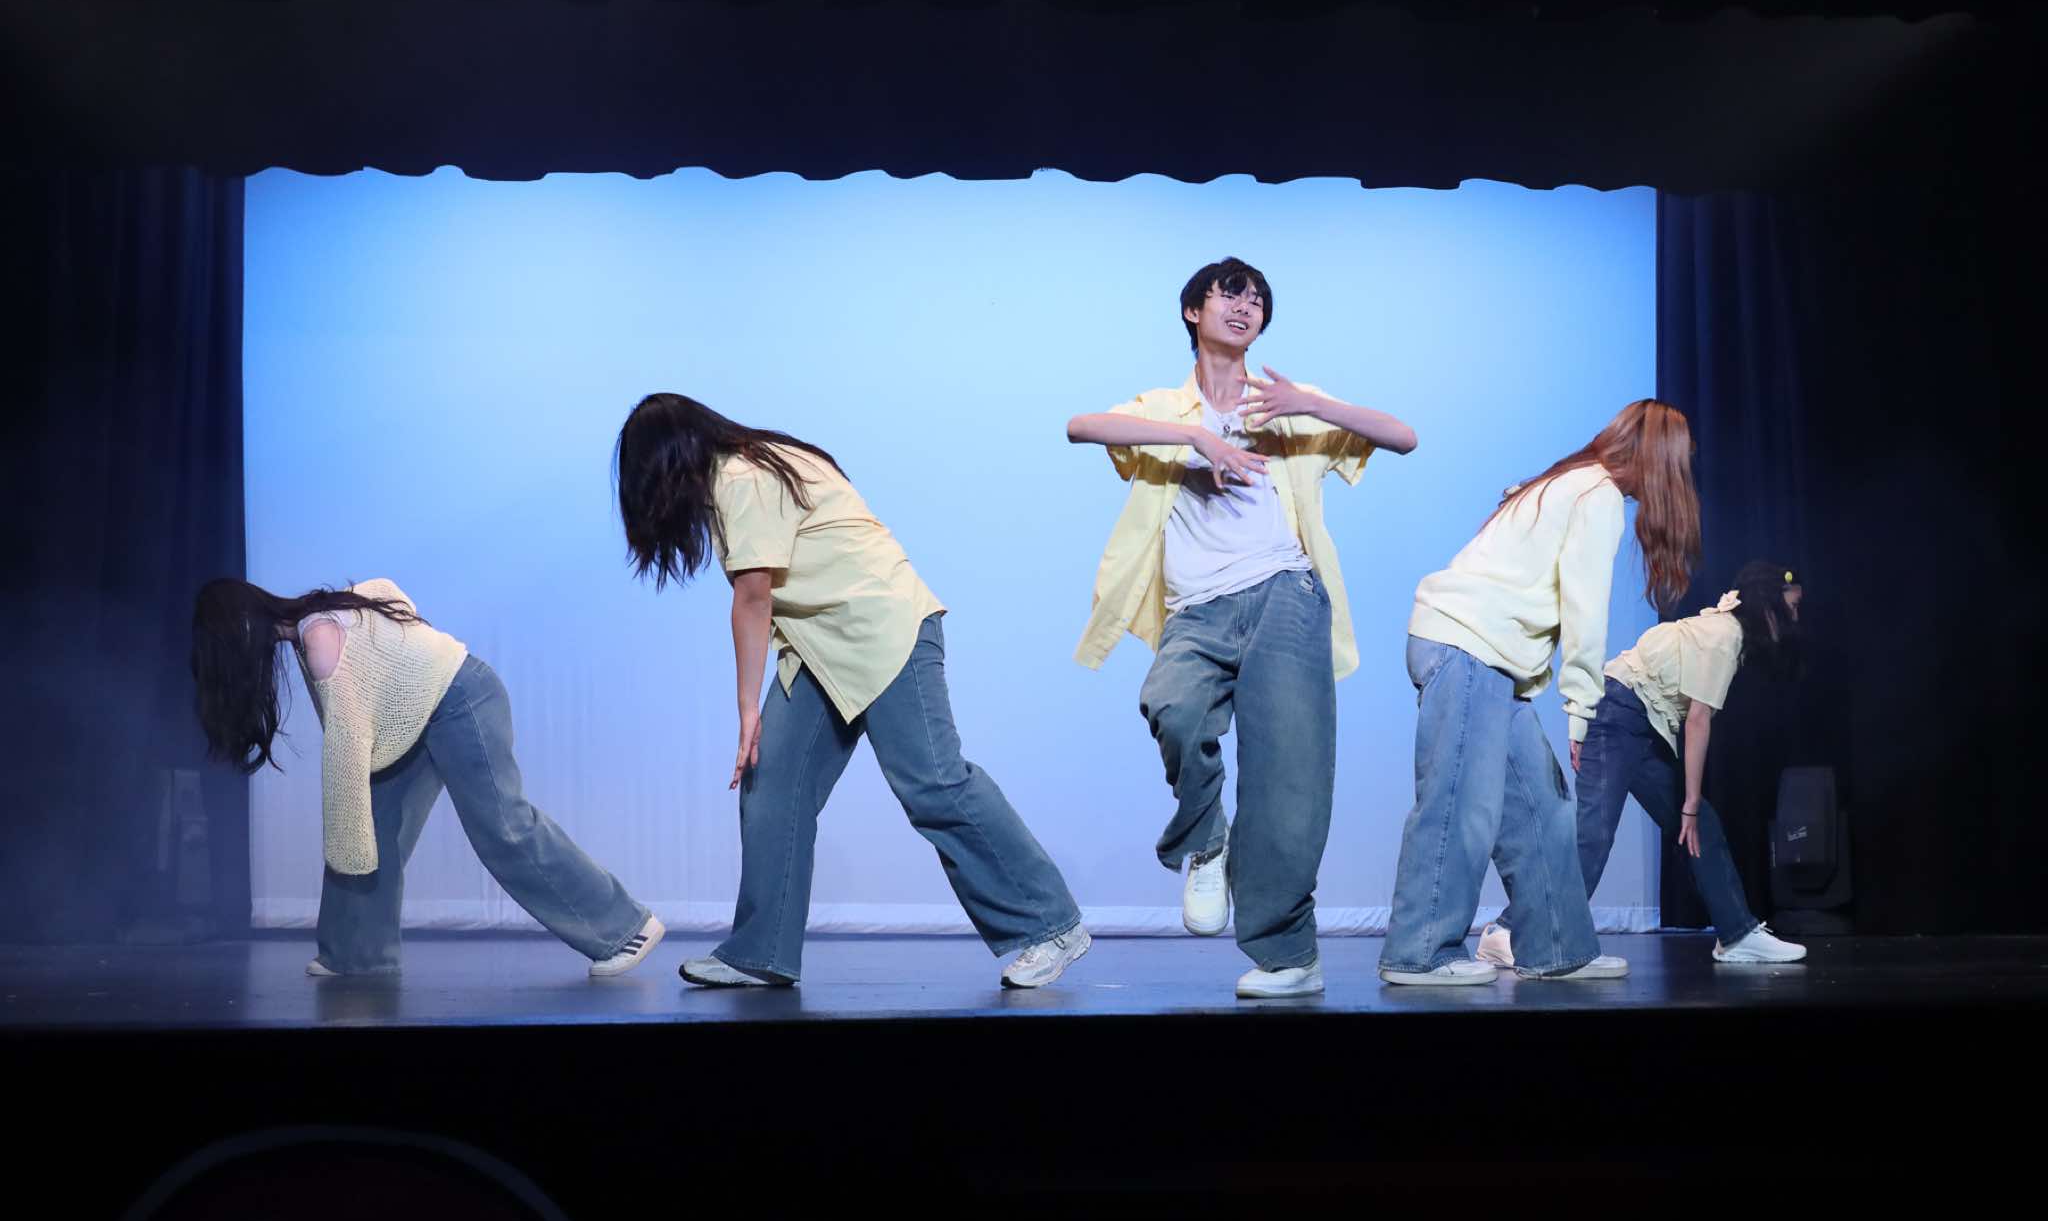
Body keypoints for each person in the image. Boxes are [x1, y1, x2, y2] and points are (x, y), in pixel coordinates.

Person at [615, 393, 1088, 988]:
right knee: (773, 784)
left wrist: (747, 710)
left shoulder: (743, 476)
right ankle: (760, 951)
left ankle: (1050, 925)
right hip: (822, 646)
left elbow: (753, 598)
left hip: (882, 629)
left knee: (934, 783)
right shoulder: (749, 467)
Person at [1065, 256, 1418, 998]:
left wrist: (1310, 406)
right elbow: (1081, 426)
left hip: (1285, 592)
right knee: (1171, 704)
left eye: (1256, 298)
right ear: (1193, 310)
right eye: (1229, 293)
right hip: (1197, 606)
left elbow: (1402, 435)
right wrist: (1197, 440)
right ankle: (1206, 841)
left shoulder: (1283, 401)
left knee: (1289, 779)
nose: (1244, 305)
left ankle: (1290, 956)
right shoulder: (1165, 408)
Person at [191, 577, 661, 977]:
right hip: (413, 719)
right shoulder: (317, 615)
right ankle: (356, 956)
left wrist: (343, 829)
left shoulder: (318, 636)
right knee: (375, 827)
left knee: (501, 827)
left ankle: (625, 930)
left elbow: (346, 750)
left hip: (461, 700)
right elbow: (388, 591)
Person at [1379, 399, 1700, 985]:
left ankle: (1558, 947)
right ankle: (1419, 953)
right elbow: (1584, 612)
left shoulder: (1568, 482)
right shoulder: (1595, 494)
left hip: (1488, 660)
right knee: (1459, 805)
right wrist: (1581, 712)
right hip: (1468, 647)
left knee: (1543, 811)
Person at [1479, 562, 1809, 967]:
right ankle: (1508, 930)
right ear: (1769, 607)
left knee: (1701, 828)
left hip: (1642, 725)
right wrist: (1689, 802)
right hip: (1619, 715)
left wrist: (1692, 810)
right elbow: (1698, 720)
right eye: (1792, 608)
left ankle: (1737, 934)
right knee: (1592, 836)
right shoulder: (1725, 636)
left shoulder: (1728, 635)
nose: (1795, 618)